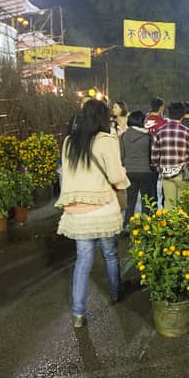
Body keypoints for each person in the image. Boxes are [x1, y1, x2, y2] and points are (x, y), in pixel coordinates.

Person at [55, 99, 130, 329]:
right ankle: (116, 292)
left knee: (83, 260)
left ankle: (78, 313)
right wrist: (125, 181)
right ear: (102, 118)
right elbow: (116, 176)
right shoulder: (106, 141)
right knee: (109, 253)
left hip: (77, 211)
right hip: (103, 207)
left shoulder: (69, 142)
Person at [151, 101, 189, 210]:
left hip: (166, 173)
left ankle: (168, 225)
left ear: (169, 114)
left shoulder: (159, 132)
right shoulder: (187, 132)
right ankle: (181, 226)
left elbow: (154, 157)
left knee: (168, 202)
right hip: (183, 174)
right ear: (182, 115)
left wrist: (160, 168)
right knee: (182, 205)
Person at [120, 110, 158, 229]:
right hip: (145, 171)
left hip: (129, 172)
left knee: (130, 200)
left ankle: (127, 223)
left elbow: (121, 155)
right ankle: (145, 224)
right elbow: (152, 155)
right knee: (145, 199)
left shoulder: (124, 135)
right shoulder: (148, 136)